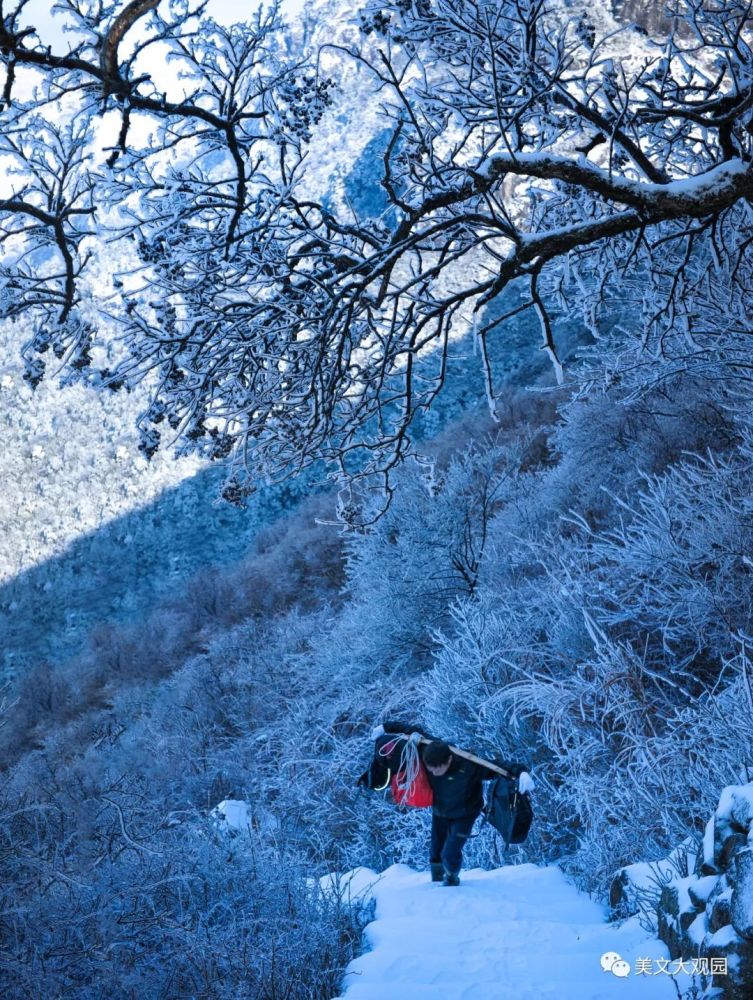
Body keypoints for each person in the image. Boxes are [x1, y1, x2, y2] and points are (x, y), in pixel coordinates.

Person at [421, 739, 533, 887]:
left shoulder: (469, 765)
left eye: (437, 769)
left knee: (450, 852)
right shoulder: (432, 759)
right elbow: (412, 734)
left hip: (464, 815)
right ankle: (437, 881)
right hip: (440, 812)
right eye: (431, 770)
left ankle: (451, 879)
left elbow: (498, 766)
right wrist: (385, 729)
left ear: (448, 759)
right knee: (435, 850)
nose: (434, 773)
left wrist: (522, 772)